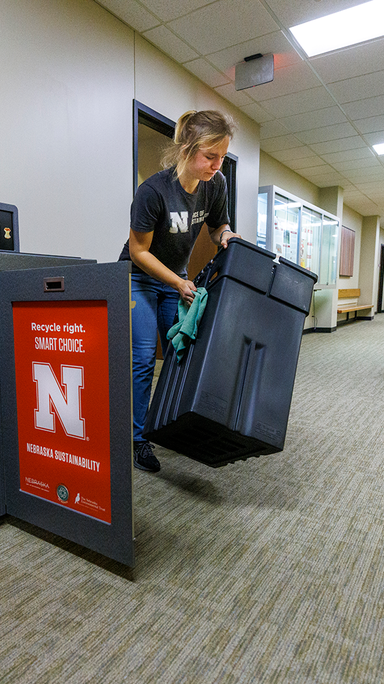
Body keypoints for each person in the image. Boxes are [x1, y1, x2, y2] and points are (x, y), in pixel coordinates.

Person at [120, 110, 241, 472]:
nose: (217, 165)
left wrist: (227, 237)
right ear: (186, 149)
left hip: (177, 279)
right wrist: (176, 281)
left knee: (180, 351)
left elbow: (219, 225)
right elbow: (139, 252)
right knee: (143, 360)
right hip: (139, 278)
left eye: (222, 157)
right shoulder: (153, 192)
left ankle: (170, 424)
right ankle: (139, 440)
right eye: (210, 156)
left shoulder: (215, 184)